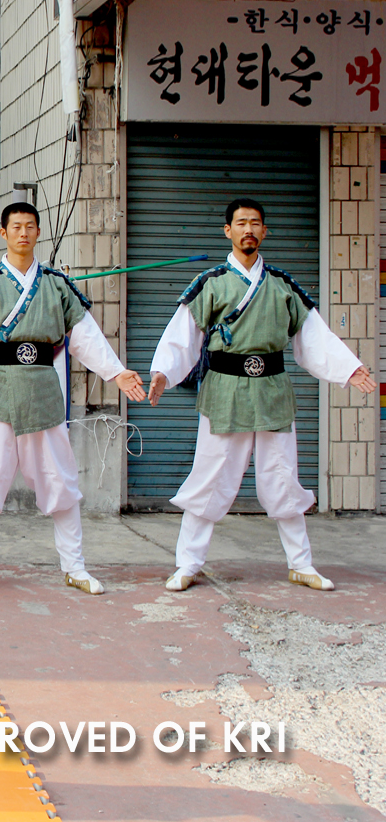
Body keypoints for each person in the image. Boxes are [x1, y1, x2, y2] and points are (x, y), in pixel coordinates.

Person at [0, 202, 146, 596]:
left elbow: (85, 336)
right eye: (16, 227)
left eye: (30, 226)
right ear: (3, 233)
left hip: (42, 393)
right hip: (1, 393)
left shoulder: (55, 284)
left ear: (38, 232)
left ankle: (75, 567)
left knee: (61, 483)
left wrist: (116, 372)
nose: (23, 233)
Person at [147, 197, 374, 592]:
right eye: (240, 223)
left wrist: (348, 367)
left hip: (271, 390)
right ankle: (187, 563)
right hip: (224, 392)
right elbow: (182, 336)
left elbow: (314, 338)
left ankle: (301, 564)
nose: (248, 229)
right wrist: (164, 371)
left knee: (282, 477)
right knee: (211, 477)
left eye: (255, 223)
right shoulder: (212, 283)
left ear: (264, 232)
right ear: (228, 231)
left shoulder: (283, 285)